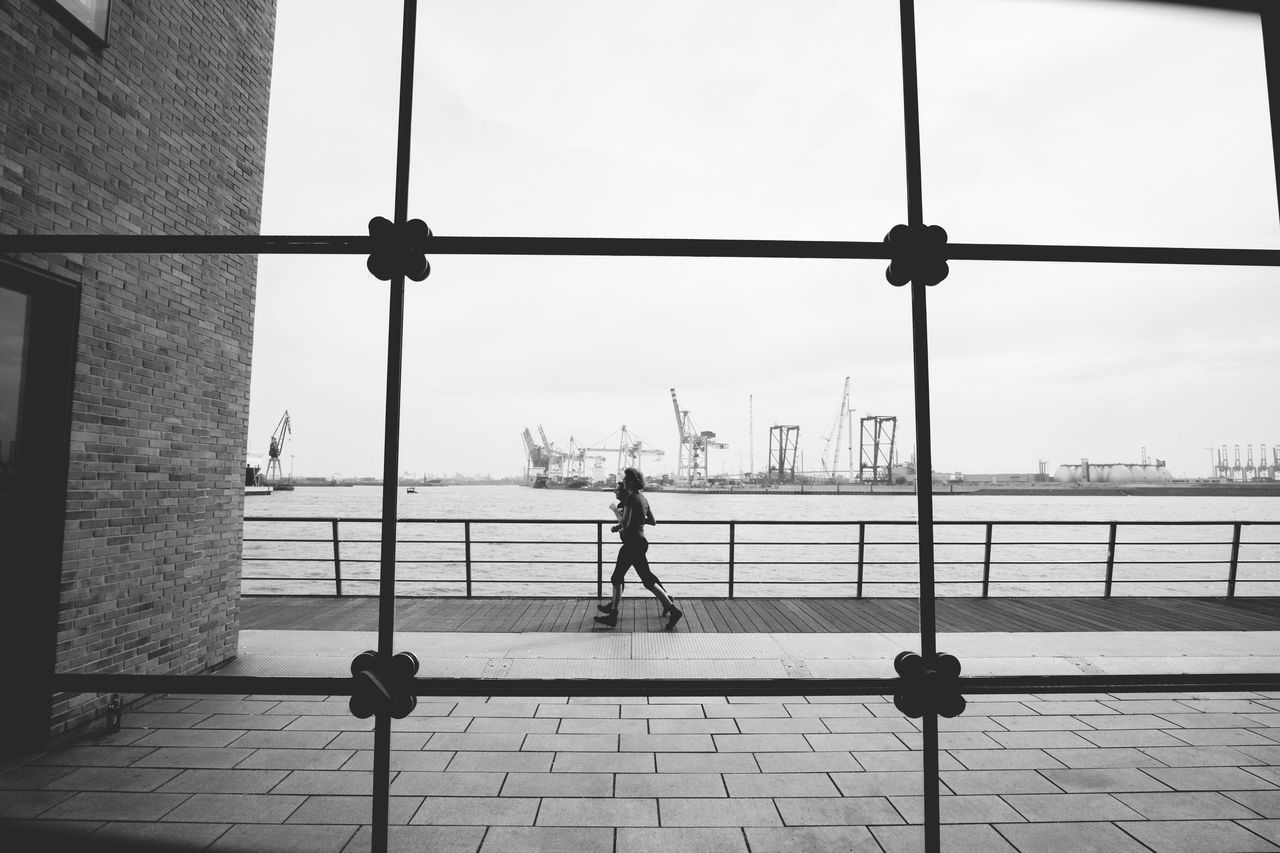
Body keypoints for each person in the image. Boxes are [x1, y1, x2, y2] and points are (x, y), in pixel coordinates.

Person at [594, 467, 682, 630]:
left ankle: (613, 615)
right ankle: (673, 609)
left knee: (617, 578)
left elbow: (626, 525)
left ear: (632, 482)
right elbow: (652, 521)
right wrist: (636, 522)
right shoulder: (643, 499)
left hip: (631, 544)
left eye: (626, 479)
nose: (624, 481)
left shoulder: (630, 500)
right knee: (647, 581)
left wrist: (615, 511)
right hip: (640, 542)